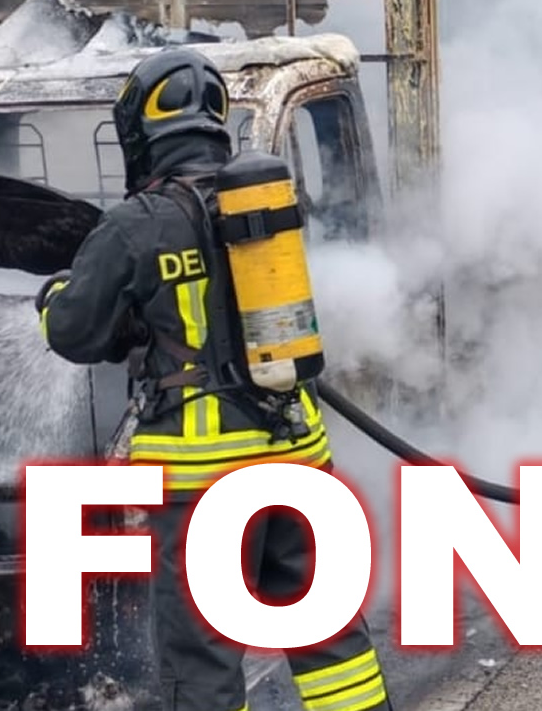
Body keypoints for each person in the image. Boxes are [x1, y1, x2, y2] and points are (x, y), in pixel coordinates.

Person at [34, 47, 392, 711]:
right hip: (298, 458)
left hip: (204, 482)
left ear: (140, 133)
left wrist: (53, 297)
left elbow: (75, 333)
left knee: (202, 661)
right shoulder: (261, 203)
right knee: (329, 637)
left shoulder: (134, 226)